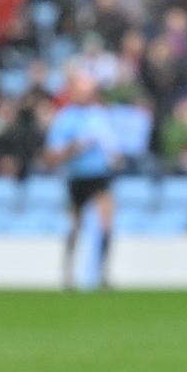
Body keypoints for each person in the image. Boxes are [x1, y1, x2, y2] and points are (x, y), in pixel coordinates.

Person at [42, 70, 126, 289]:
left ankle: (103, 273)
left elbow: (116, 152)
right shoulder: (65, 118)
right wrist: (75, 147)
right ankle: (68, 274)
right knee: (75, 226)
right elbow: (52, 156)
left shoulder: (101, 116)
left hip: (100, 176)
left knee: (107, 223)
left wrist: (114, 156)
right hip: (77, 176)